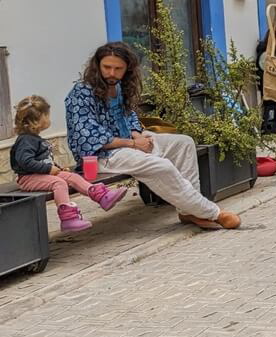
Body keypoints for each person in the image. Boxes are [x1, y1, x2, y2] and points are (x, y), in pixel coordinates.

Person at [65, 43, 241, 230]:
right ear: (97, 66)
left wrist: (138, 136)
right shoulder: (81, 93)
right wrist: (133, 144)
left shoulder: (120, 86)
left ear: (127, 69)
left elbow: (130, 116)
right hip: (103, 155)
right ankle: (212, 212)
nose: (111, 73)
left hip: (128, 143)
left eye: (118, 69)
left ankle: (188, 211)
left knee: (184, 143)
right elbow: (87, 137)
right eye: (107, 67)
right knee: (162, 166)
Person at [12, 95, 128, 233]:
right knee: (58, 183)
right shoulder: (25, 140)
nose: (49, 118)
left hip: (40, 174)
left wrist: (58, 169)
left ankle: (102, 196)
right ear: (36, 121)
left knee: (71, 176)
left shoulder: (33, 139)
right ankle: (68, 219)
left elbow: (42, 159)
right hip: (28, 179)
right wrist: (49, 169)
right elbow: (25, 162)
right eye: (46, 115)